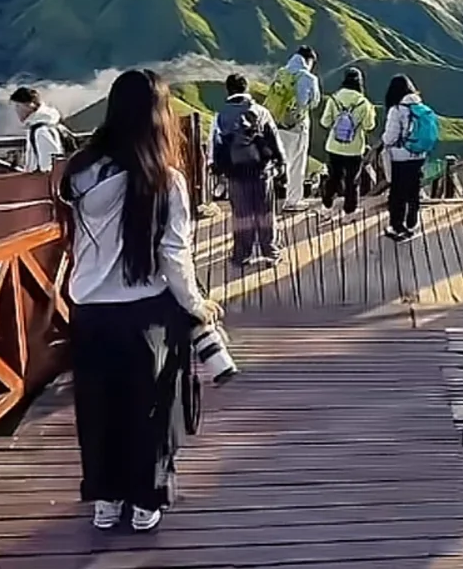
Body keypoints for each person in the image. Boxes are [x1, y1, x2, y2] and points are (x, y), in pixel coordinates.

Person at [59, 69, 220, 534]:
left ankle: (105, 499)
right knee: (149, 407)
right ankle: (144, 499)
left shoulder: (80, 174)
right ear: (158, 117)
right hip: (143, 313)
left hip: (88, 310)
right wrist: (198, 305)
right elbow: (174, 256)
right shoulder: (164, 181)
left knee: (97, 406)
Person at [210, 74, 286, 267]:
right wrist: (281, 163)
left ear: (228, 91)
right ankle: (270, 252)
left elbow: (216, 147)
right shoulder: (260, 111)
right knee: (266, 212)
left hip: (235, 174)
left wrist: (218, 171)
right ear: (246, 89)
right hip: (262, 172)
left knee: (241, 215)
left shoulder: (219, 116)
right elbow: (273, 138)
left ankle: (242, 254)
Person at [263, 47, 321, 212]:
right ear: (309, 60)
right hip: (296, 127)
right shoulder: (307, 77)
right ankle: (293, 200)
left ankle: (268, 199)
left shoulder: (282, 73)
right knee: (296, 164)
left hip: (276, 124)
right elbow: (309, 103)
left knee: (277, 164)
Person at [380, 74, 433, 241]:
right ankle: (412, 223)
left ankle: (397, 226)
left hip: (400, 157)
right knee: (414, 189)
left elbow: (390, 138)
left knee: (398, 193)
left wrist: (383, 142)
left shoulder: (397, 110)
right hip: (419, 155)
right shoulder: (421, 107)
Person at [318, 67, 376, 215]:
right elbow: (369, 126)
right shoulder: (364, 103)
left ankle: (326, 207)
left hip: (334, 146)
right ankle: (349, 211)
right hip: (355, 148)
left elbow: (325, 122)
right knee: (352, 181)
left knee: (333, 178)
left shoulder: (334, 99)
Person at [10, 86, 75, 173]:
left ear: (29, 105)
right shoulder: (52, 122)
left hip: (43, 182)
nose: (16, 110)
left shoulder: (41, 131)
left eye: (18, 106)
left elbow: (48, 166)